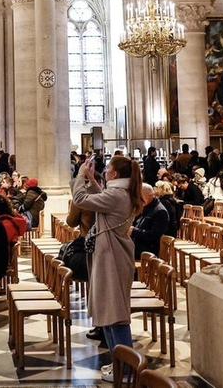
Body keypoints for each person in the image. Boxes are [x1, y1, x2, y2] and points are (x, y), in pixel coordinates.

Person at [72, 155, 142, 381]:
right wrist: (91, 178)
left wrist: (81, 175)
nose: (105, 169)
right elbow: (101, 196)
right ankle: (118, 363)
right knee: (110, 313)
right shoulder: (119, 193)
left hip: (113, 257)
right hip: (110, 256)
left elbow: (81, 200)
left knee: (116, 315)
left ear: (115, 174)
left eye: (108, 168)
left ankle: (127, 368)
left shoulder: (117, 195)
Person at [131, 183, 169, 259]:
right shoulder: (146, 206)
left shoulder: (160, 211)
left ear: (148, 196)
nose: (137, 199)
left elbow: (154, 235)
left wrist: (133, 231)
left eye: (139, 196)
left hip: (148, 250)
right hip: (139, 245)